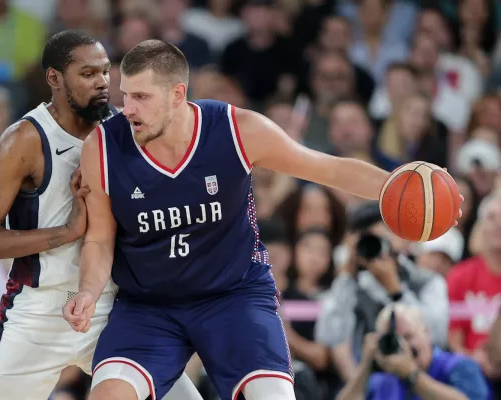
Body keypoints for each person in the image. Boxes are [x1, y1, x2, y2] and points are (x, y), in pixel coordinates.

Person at [63, 39, 462, 400]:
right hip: (149, 305)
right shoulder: (103, 147)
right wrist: (87, 291)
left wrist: (403, 185)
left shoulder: (237, 130)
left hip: (233, 295)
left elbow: (329, 169)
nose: (127, 108)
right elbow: (99, 239)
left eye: (141, 97)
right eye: (126, 95)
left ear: (177, 95)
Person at [0, 31, 200, 400]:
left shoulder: (123, 131)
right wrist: (66, 232)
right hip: (40, 311)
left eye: (104, 72)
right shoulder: (24, 139)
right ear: (54, 78)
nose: (102, 83)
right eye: (88, 74)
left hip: (113, 308)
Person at [336, 303, 489, 400]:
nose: (403, 346)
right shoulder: (382, 380)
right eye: (394, 339)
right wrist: (365, 366)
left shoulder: (460, 366)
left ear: (426, 333)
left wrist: (411, 375)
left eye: (408, 336)